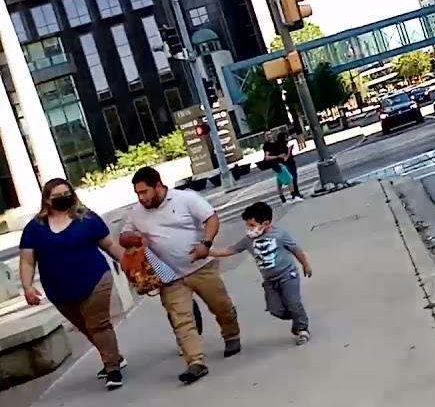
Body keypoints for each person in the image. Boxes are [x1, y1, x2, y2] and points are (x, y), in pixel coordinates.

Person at [123, 167, 241, 385]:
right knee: (181, 320)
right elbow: (124, 236)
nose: (142, 198)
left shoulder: (186, 198)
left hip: (201, 266)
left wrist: (206, 244)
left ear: (158, 185)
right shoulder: (137, 212)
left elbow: (211, 219)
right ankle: (195, 361)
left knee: (220, 305)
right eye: (138, 193)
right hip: (169, 275)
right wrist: (131, 239)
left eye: (145, 192)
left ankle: (231, 334)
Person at [18, 179, 127, 391]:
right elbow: (27, 260)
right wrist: (27, 286)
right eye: (57, 195)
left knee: (98, 325)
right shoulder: (35, 228)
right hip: (60, 289)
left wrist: (130, 265)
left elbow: (110, 245)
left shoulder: (87, 219)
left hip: (95, 279)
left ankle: (112, 368)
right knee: (85, 327)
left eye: (66, 193)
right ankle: (114, 356)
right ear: (47, 200)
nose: (62, 198)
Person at [211, 201, 312, 345]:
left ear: (266, 223)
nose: (249, 229)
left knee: (293, 302)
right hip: (270, 281)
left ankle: (302, 329)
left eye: (252, 225)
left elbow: (295, 249)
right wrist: (209, 252)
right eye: (247, 225)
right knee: (275, 310)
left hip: (288, 275)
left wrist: (305, 264)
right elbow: (231, 250)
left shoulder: (280, 235)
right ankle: (297, 316)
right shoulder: (248, 240)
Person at [262, 129, 302, 201]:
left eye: (270, 134)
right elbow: (266, 157)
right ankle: (294, 195)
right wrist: (278, 156)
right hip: (277, 165)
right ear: (265, 137)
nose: (269, 136)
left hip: (282, 163)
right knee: (290, 179)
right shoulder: (267, 145)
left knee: (279, 182)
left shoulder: (276, 143)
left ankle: (282, 197)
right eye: (267, 135)